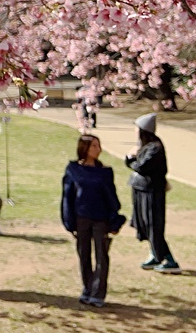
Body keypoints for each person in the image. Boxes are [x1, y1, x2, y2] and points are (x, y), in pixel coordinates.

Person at [61, 135, 127, 307]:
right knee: (84, 255)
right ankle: (87, 288)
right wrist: (69, 222)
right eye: (94, 146)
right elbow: (68, 196)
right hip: (81, 218)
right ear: (84, 148)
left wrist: (114, 220)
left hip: (101, 218)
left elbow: (111, 197)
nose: (98, 149)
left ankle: (98, 293)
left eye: (98, 146)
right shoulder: (73, 169)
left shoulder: (105, 172)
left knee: (101, 256)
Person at [126, 113, 180, 274]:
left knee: (153, 225)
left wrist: (130, 158)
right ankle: (155, 254)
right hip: (142, 189)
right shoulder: (145, 145)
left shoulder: (155, 148)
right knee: (144, 223)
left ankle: (169, 259)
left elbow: (142, 166)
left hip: (151, 191)